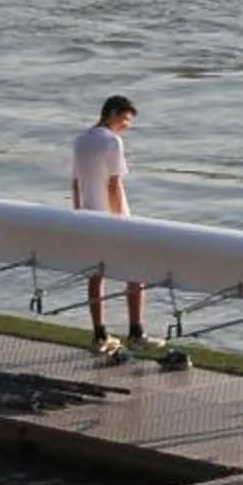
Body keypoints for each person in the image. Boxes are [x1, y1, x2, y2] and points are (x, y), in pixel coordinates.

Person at [71, 95, 154, 356]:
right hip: (112, 217)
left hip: (88, 215)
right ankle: (136, 332)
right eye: (126, 119)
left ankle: (99, 334)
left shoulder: (81, 140)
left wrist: (77, 213)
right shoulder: (112, 141)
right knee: (137, 270)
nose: (128, 126)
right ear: (113, 114)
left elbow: (75, 182)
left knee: (96, 275)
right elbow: (114, 184)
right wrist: (120, 219)